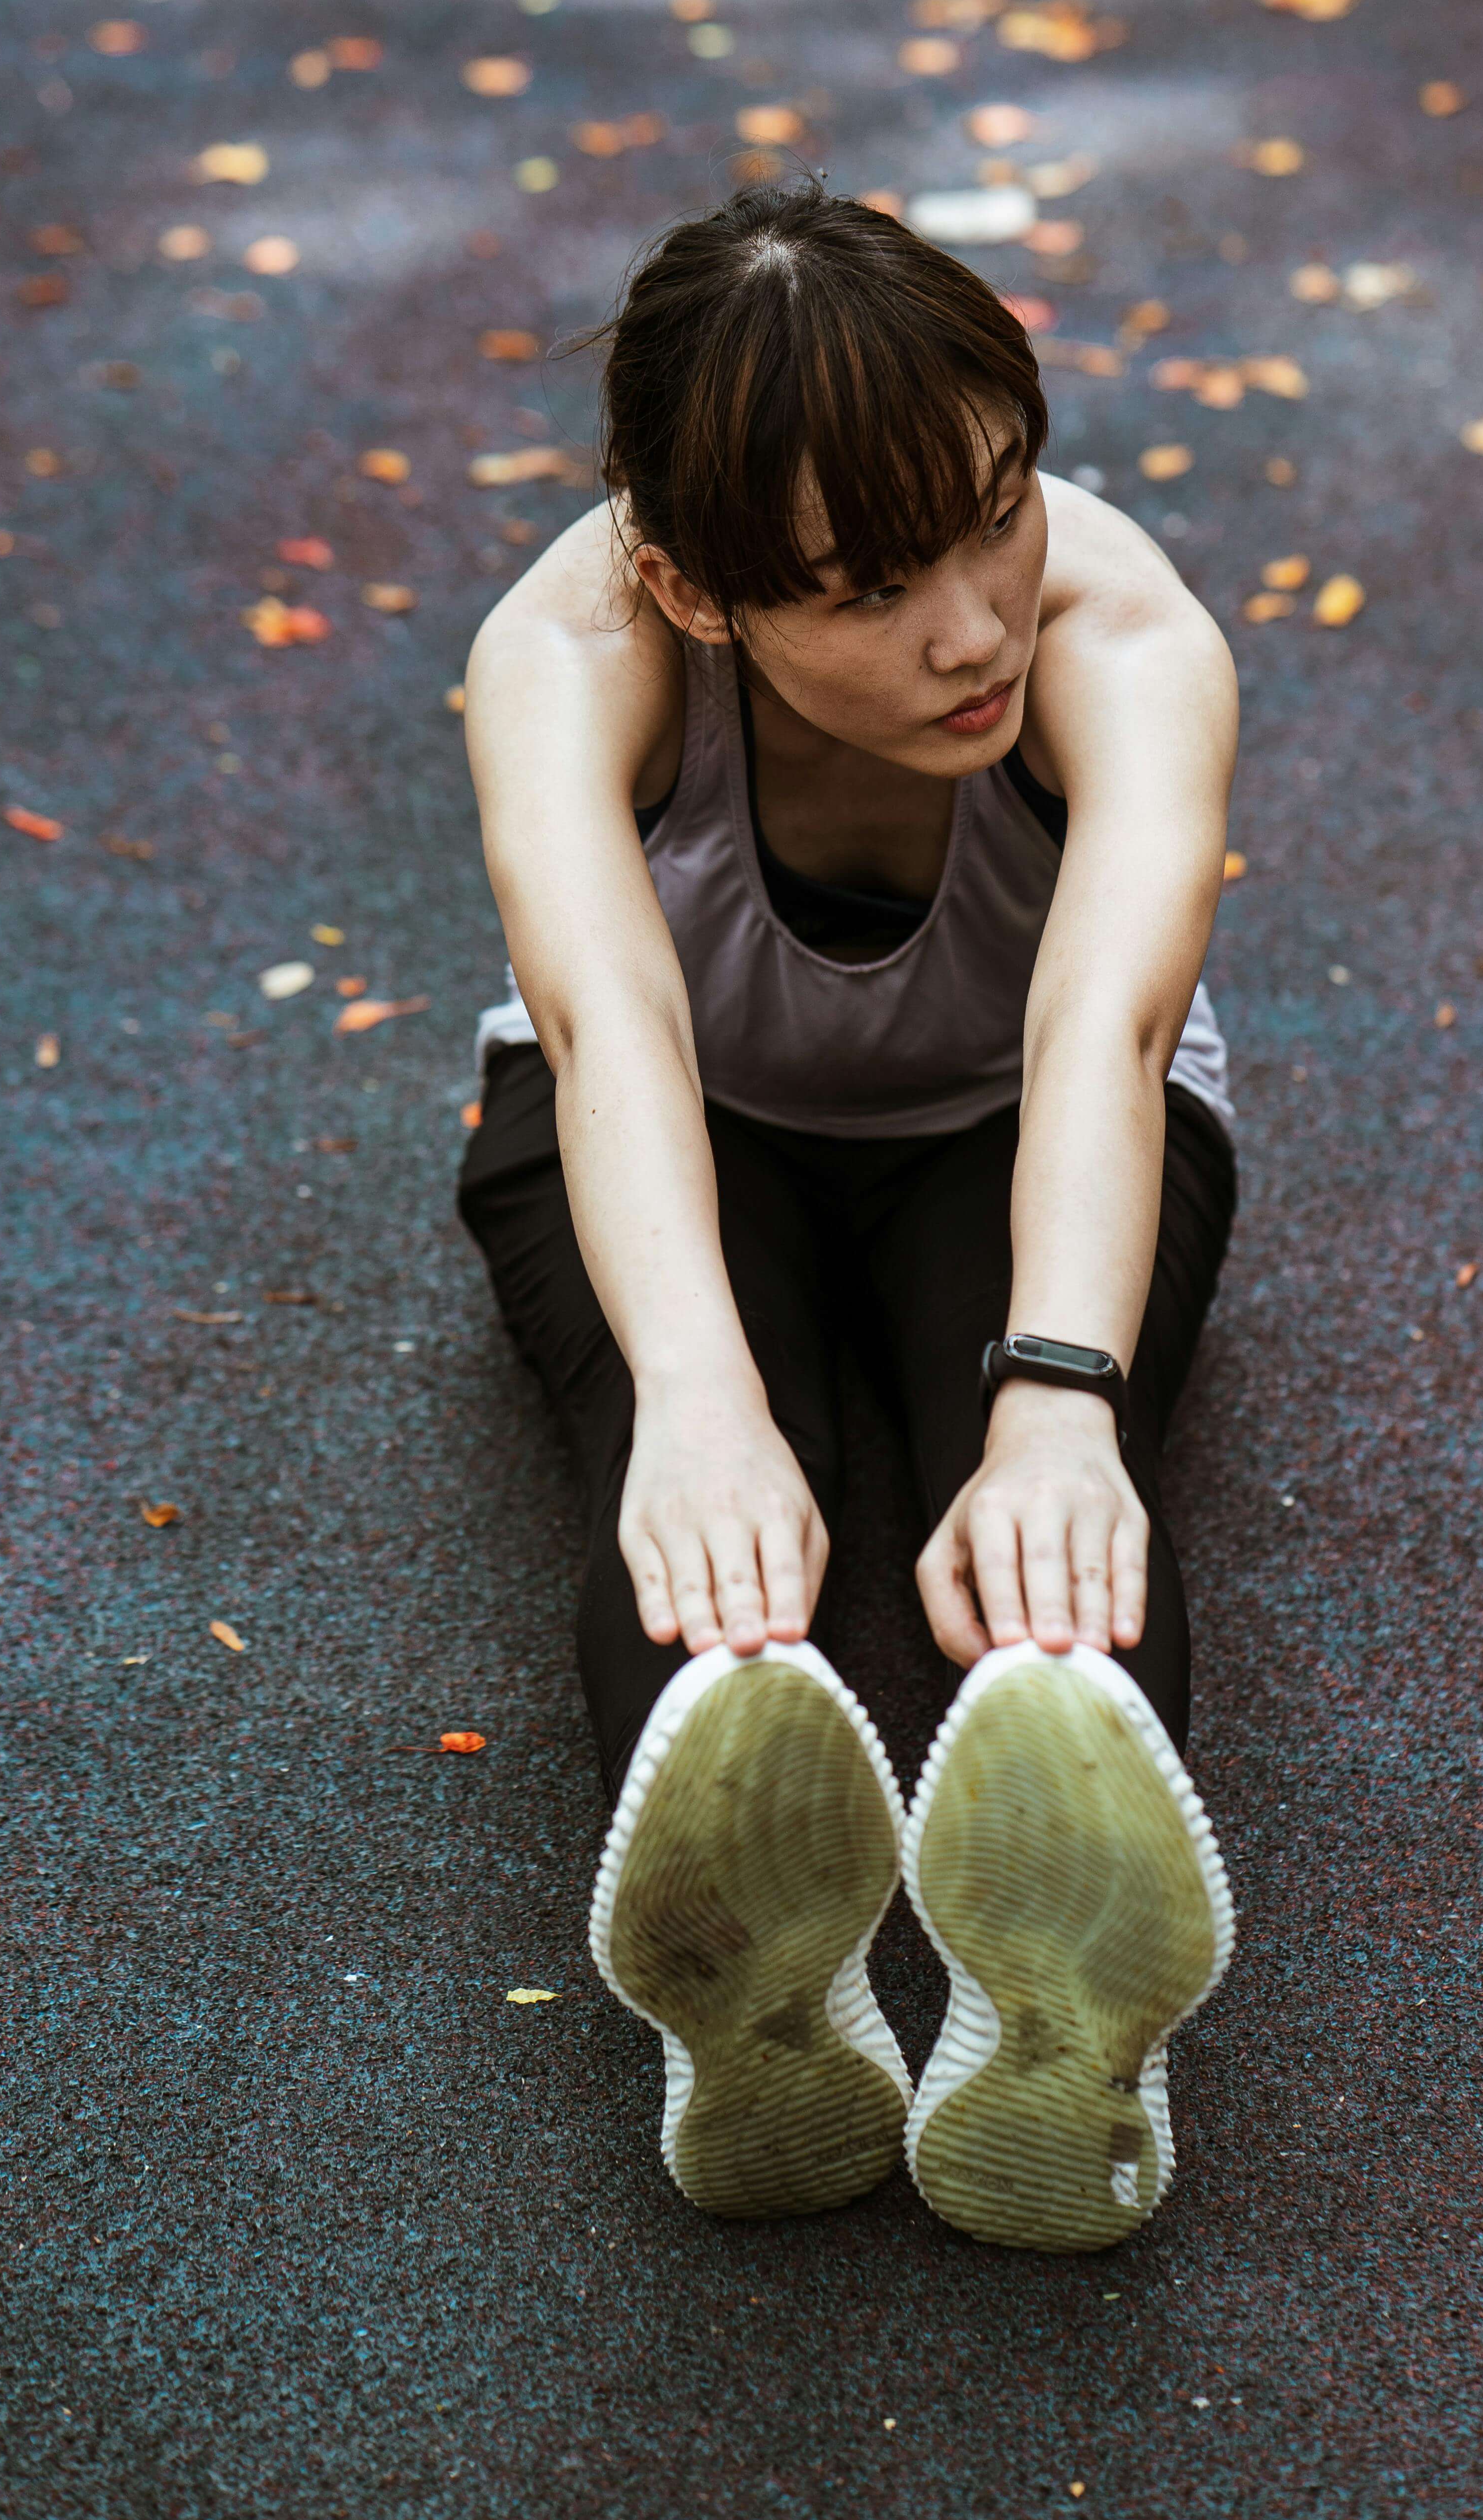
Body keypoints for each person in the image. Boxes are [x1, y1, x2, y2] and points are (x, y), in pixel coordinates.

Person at [457, 182, 1239, 2253]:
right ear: (689, 588)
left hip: (1024, 1117)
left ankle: (1063, 2021)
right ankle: (758, 1999)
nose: (972, 628)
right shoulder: (566, 654)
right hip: (669, 1114)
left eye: (998, 514)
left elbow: (1101, 1025)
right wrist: (698, 1399)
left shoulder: (1127, 638)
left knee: (1056, 1528)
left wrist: (1056, 1395)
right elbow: (608, 1027)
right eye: (874, 588)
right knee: (703, 1524)